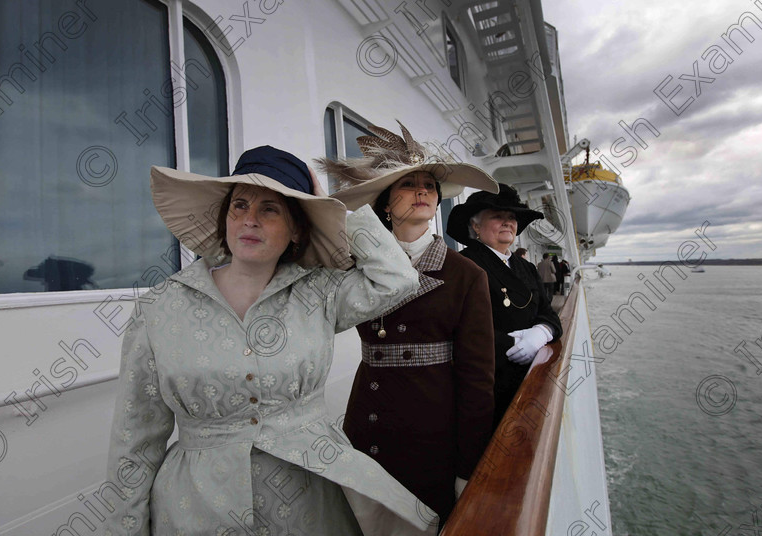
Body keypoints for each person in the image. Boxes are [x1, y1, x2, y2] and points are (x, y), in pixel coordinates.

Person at [103, 146, 439, 535]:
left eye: (270, 209)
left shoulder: (319, 294)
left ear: (296, 228)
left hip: (308, 501)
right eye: (239, 206)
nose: (250, 220)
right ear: (224, 219)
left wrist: (329, 207)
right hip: (197, 508)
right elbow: (135, 439)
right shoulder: (159, 308)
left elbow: (398, 278)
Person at [320, 121, 498, 526]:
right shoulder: (355, 265)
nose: (422, 191)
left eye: (429, 187)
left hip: (430, 437)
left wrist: (468, 469)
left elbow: (477, 381)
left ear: (436, 203)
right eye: (408, 184)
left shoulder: (467, 275)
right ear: (385, 202)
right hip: (367, 422)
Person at [446, 184, 562, 429]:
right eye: (498, 216)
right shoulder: (464, 265)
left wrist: (540, 333)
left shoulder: (526, 268)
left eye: (512, 217)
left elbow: (549, 314)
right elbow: (456, 329)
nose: (508, 222)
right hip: (489, 385)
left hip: (529, 377)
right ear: (476, 226)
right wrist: (515, 345)